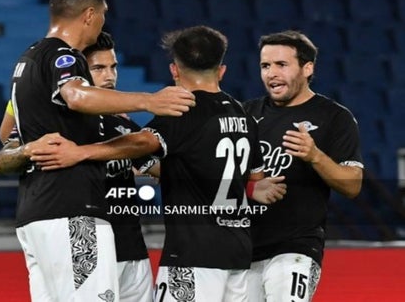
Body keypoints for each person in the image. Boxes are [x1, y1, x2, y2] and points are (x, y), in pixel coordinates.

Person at [27, 26, 287, 302]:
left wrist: (80, 152)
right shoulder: (243, 114)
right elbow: (250, 178)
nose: (110, 75)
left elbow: (143, 143)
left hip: (192, 254)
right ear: (221, 70)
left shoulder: (182, 109)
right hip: (238, 250)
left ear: (174, 70)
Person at [0, 0, 196, 302]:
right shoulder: (65, 56)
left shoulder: (27, 60)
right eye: (103, 13)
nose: (103, 20)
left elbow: (8, 133)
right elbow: (75, 95)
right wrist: (149, 101)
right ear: (90, 14)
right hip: (73, 213)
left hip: (35, 215)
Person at [0, 31, 155, 302]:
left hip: (130, 251)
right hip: (78, 235)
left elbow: (163, 168)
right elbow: (3, 152)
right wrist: (27, 146)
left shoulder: (121, 125)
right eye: (99, 68)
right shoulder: (56, 125)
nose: (109, 76)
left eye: (113, 67)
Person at [242, 30, 363, 302]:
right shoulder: (245, 114)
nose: (271, 73)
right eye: (265, 65)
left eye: (281, 64)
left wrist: (315, 156)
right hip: (243, 248)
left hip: (296, 247)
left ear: (307, 68)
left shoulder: (335, 117)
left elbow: (353, 185)